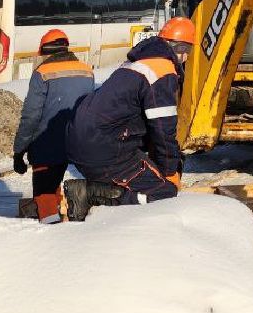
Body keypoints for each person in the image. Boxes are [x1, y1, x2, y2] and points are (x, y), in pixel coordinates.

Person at [65, 16, 196, 206]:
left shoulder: (136, 63)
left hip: (81, 143)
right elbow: (163, 130)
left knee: (144, 172)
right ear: (182, 49)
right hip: (104, 148)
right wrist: (170, 172)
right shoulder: (162, 71)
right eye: (189, 51)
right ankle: (91, 195)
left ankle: (96, 190)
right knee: (164, 191)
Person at [12, 29, 94, 224]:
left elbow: (31, 116)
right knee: (79, 190)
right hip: (79, 141)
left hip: (47, 144)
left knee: (45, 195)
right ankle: (76, 223)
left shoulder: (42, 74)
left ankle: (50, 232)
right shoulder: (87, 70)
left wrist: (19, 151)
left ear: (46, 52)